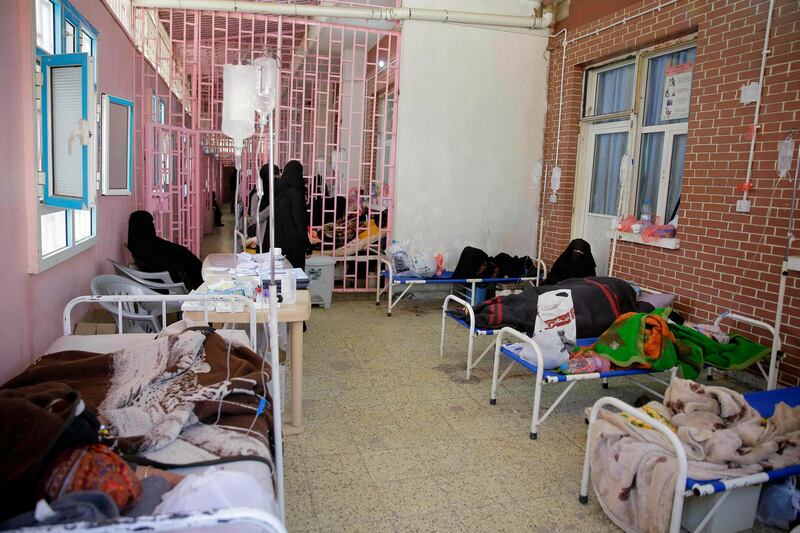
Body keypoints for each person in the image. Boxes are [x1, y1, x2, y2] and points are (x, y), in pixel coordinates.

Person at [127, 211, 204, 290]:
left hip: (175, 261)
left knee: (189, 260)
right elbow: (158, 262)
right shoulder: (142, 245)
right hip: (166, 275)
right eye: (150, 222)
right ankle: (201, 287)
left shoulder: (138, 241)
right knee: (191, 264)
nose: (152, 225)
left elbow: (163, 247)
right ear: (143, 225)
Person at [264, 160, 311, 271]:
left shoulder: (278, 192)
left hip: (278, 242)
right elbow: (299, 222)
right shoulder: (296, 194)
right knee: (294, 277)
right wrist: (307, 245)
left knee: (280, 276)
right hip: (294, 244)